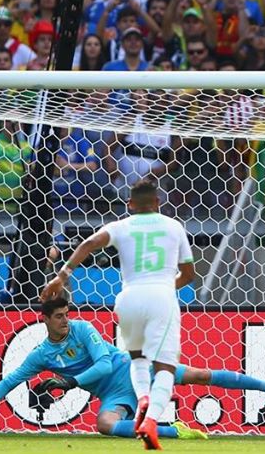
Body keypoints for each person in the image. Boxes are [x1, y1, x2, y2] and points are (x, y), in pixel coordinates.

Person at [0, 297, 265, 442]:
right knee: (104, 425)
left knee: (198, 375)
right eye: (58, 316)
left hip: (132, 368)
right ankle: (175, 431)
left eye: (66, 314)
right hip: (112, 393)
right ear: (45, 319)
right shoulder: (40, 355)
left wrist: (70, 382)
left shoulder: (82, 329)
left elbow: (106, 362)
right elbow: (13, 379)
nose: (65, 320)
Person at [40, 178, 191, 449]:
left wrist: (61, 277)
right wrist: (166, 284)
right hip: (161, 296)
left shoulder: (121, 226)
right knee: (165, 366)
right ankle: (152, 417)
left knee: (138, 359)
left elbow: (88, 243)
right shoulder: (174, 226)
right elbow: (189, 274)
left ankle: (142, 398)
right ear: (158, 202)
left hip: (129, 298)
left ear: (130, 204)